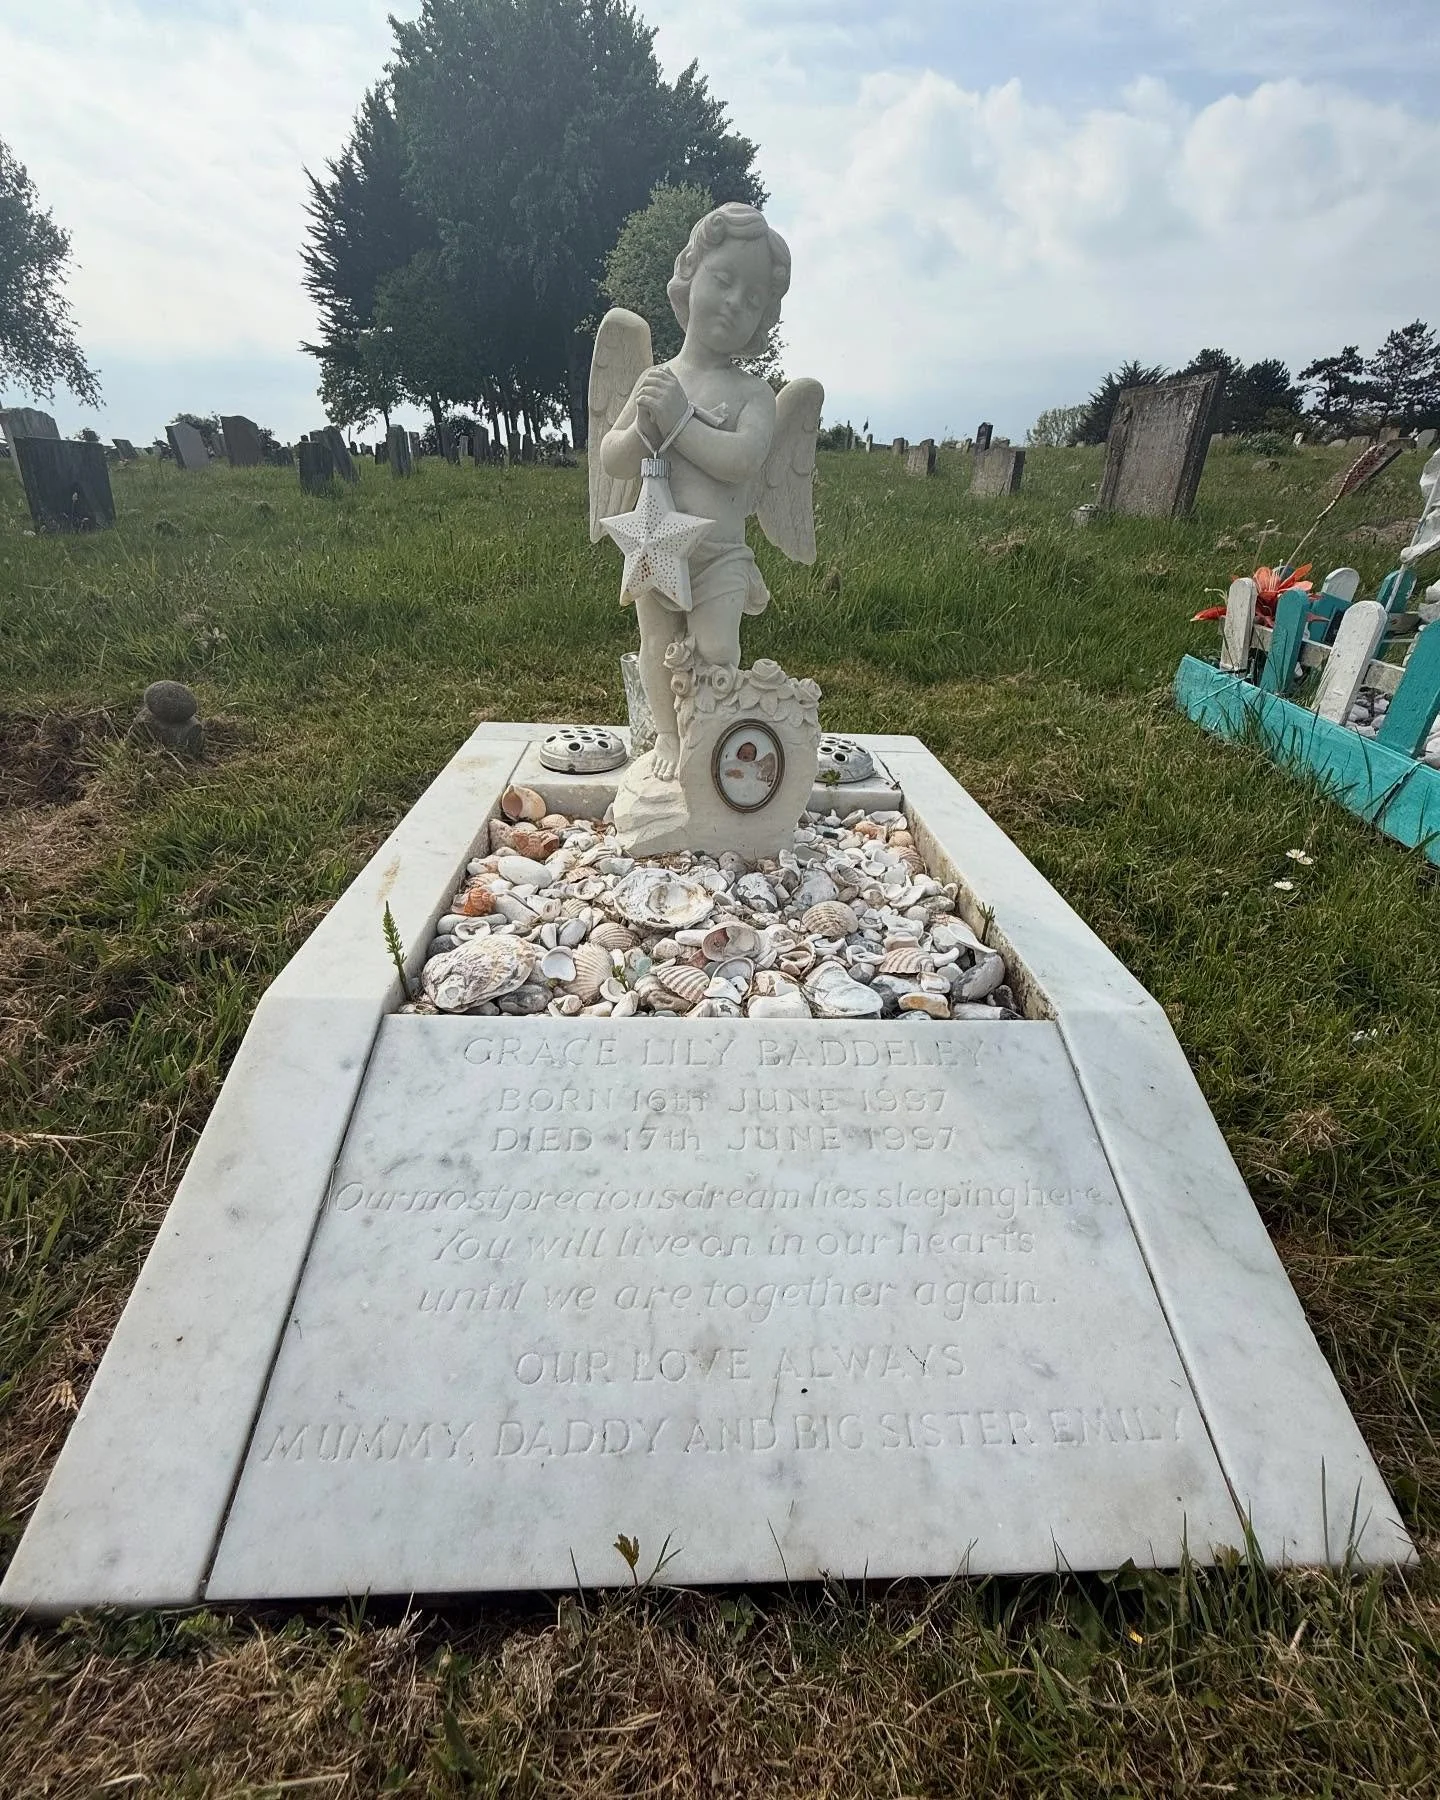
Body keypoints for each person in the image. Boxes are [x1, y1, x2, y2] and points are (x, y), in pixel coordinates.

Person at [600, 203, 791, 779]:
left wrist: (680, 422)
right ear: (689, 276)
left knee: (718, 649)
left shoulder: (753, 394)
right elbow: (612, 457)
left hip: (720, 556)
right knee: (656, 645)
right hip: (655, 546)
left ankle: (708, 737)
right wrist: (644, 430)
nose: (733, 302)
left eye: (752, 299)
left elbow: (741, 461)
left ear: (762, 319)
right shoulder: (656, 380)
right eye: (723, 280)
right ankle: (667, 736)